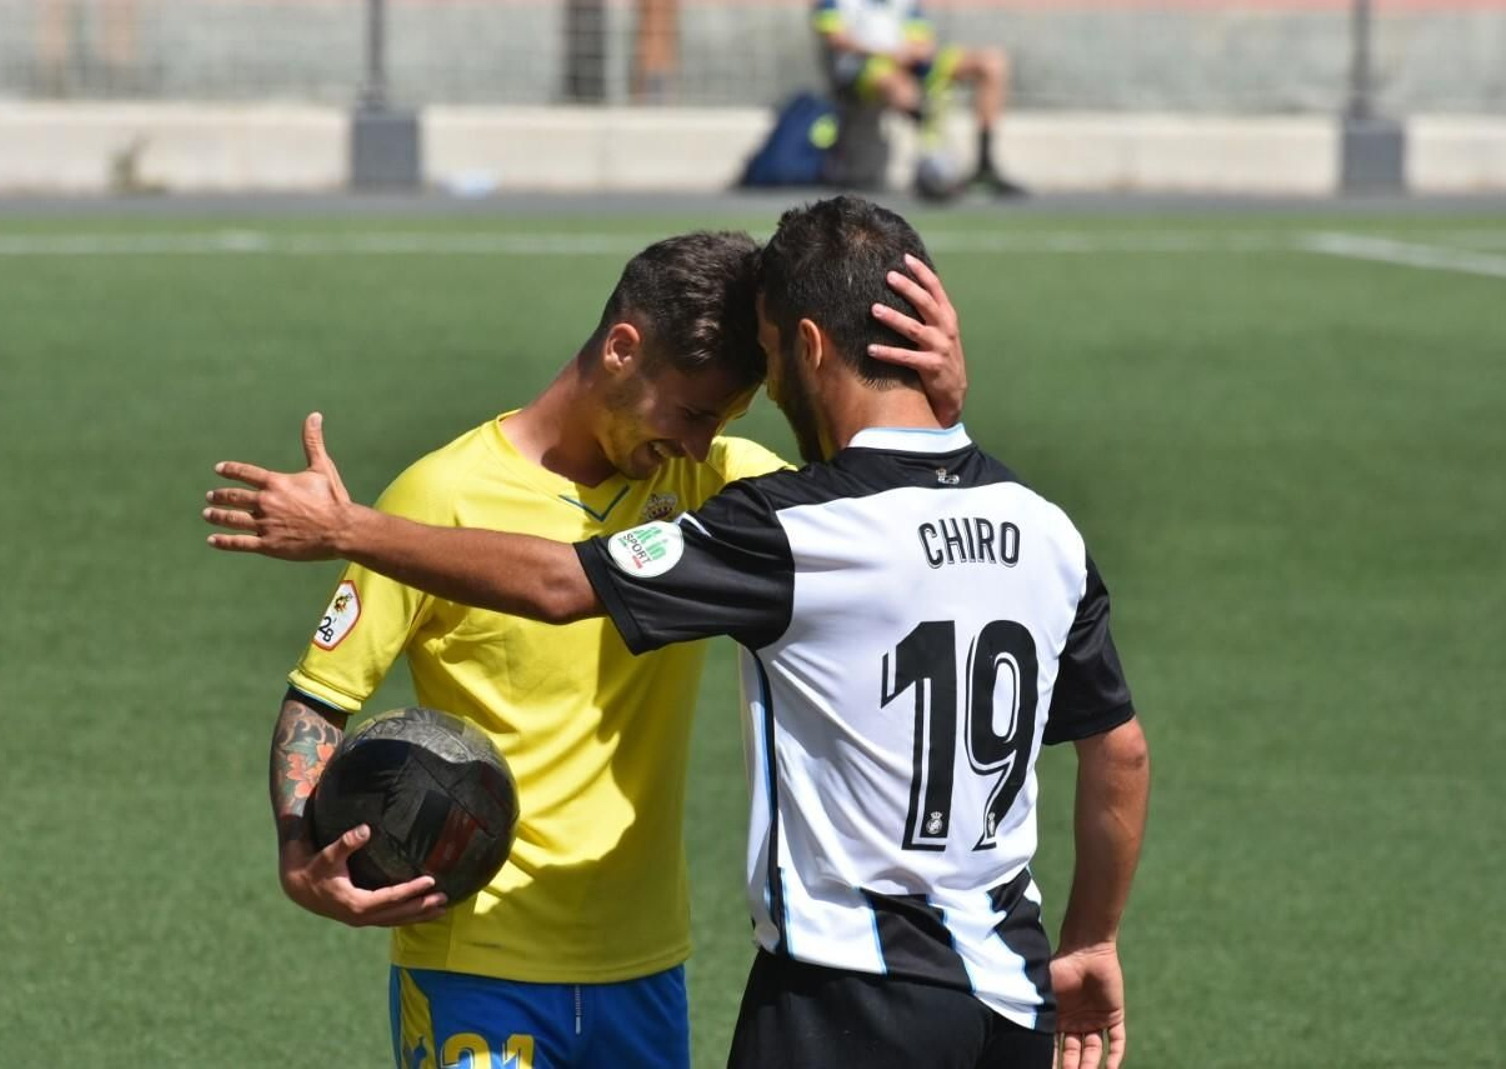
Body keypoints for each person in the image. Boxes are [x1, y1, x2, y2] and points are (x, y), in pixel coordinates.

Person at [205, 196, 1148, 1069]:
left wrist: (937, 404)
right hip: (477, 958)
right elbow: (320, 698)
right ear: (622, 348)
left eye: (726, 419)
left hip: (646, 968)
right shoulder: (436, 499)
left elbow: (888, 500)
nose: (701, 443)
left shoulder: (721, 487)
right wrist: (297, 844)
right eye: (693, 412)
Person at [814, 0, 1028, 198]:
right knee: (900, 89)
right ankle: (934, 157)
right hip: (863, 67)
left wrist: (913, 53)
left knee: (992, 63)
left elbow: (922, 40)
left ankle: (985, 166)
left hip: (911, 64)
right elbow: (836, 38)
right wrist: (889, 52)